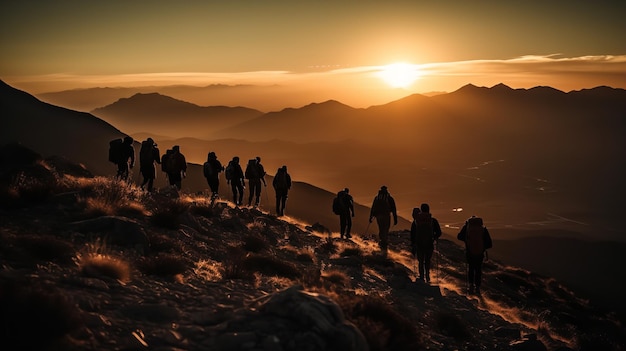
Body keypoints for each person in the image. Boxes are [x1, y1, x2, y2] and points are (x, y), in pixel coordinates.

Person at [457, 216, 493, 295]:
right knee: (478, 269)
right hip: (480, 253)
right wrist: (482, 247)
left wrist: (466, 230)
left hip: (470, 252)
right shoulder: (483, 230)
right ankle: (477, 287)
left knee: (471, 268)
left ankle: (470, 286)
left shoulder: (468, 229)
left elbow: (459, 236)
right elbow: (489, 244)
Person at [410, 203, 442, 282]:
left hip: (419, 244)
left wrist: (413, 244)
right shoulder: (432, 220)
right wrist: (434, 237)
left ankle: (421, 277)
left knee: (420, 261)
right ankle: (427, 277)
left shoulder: (416, 221)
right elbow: (439, 232)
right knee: (427, 261)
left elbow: (412, 234)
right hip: (429, 244)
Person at [369, 186, 397, 255]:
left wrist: (371, 217)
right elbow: (393, 209)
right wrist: (395, 219)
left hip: (378, 216)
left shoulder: (377, 198)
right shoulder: (389, 198)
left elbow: (373, 207)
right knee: (386, 229)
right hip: (386, 215)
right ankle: (384, 244)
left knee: (381, 229)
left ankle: (381, 242)